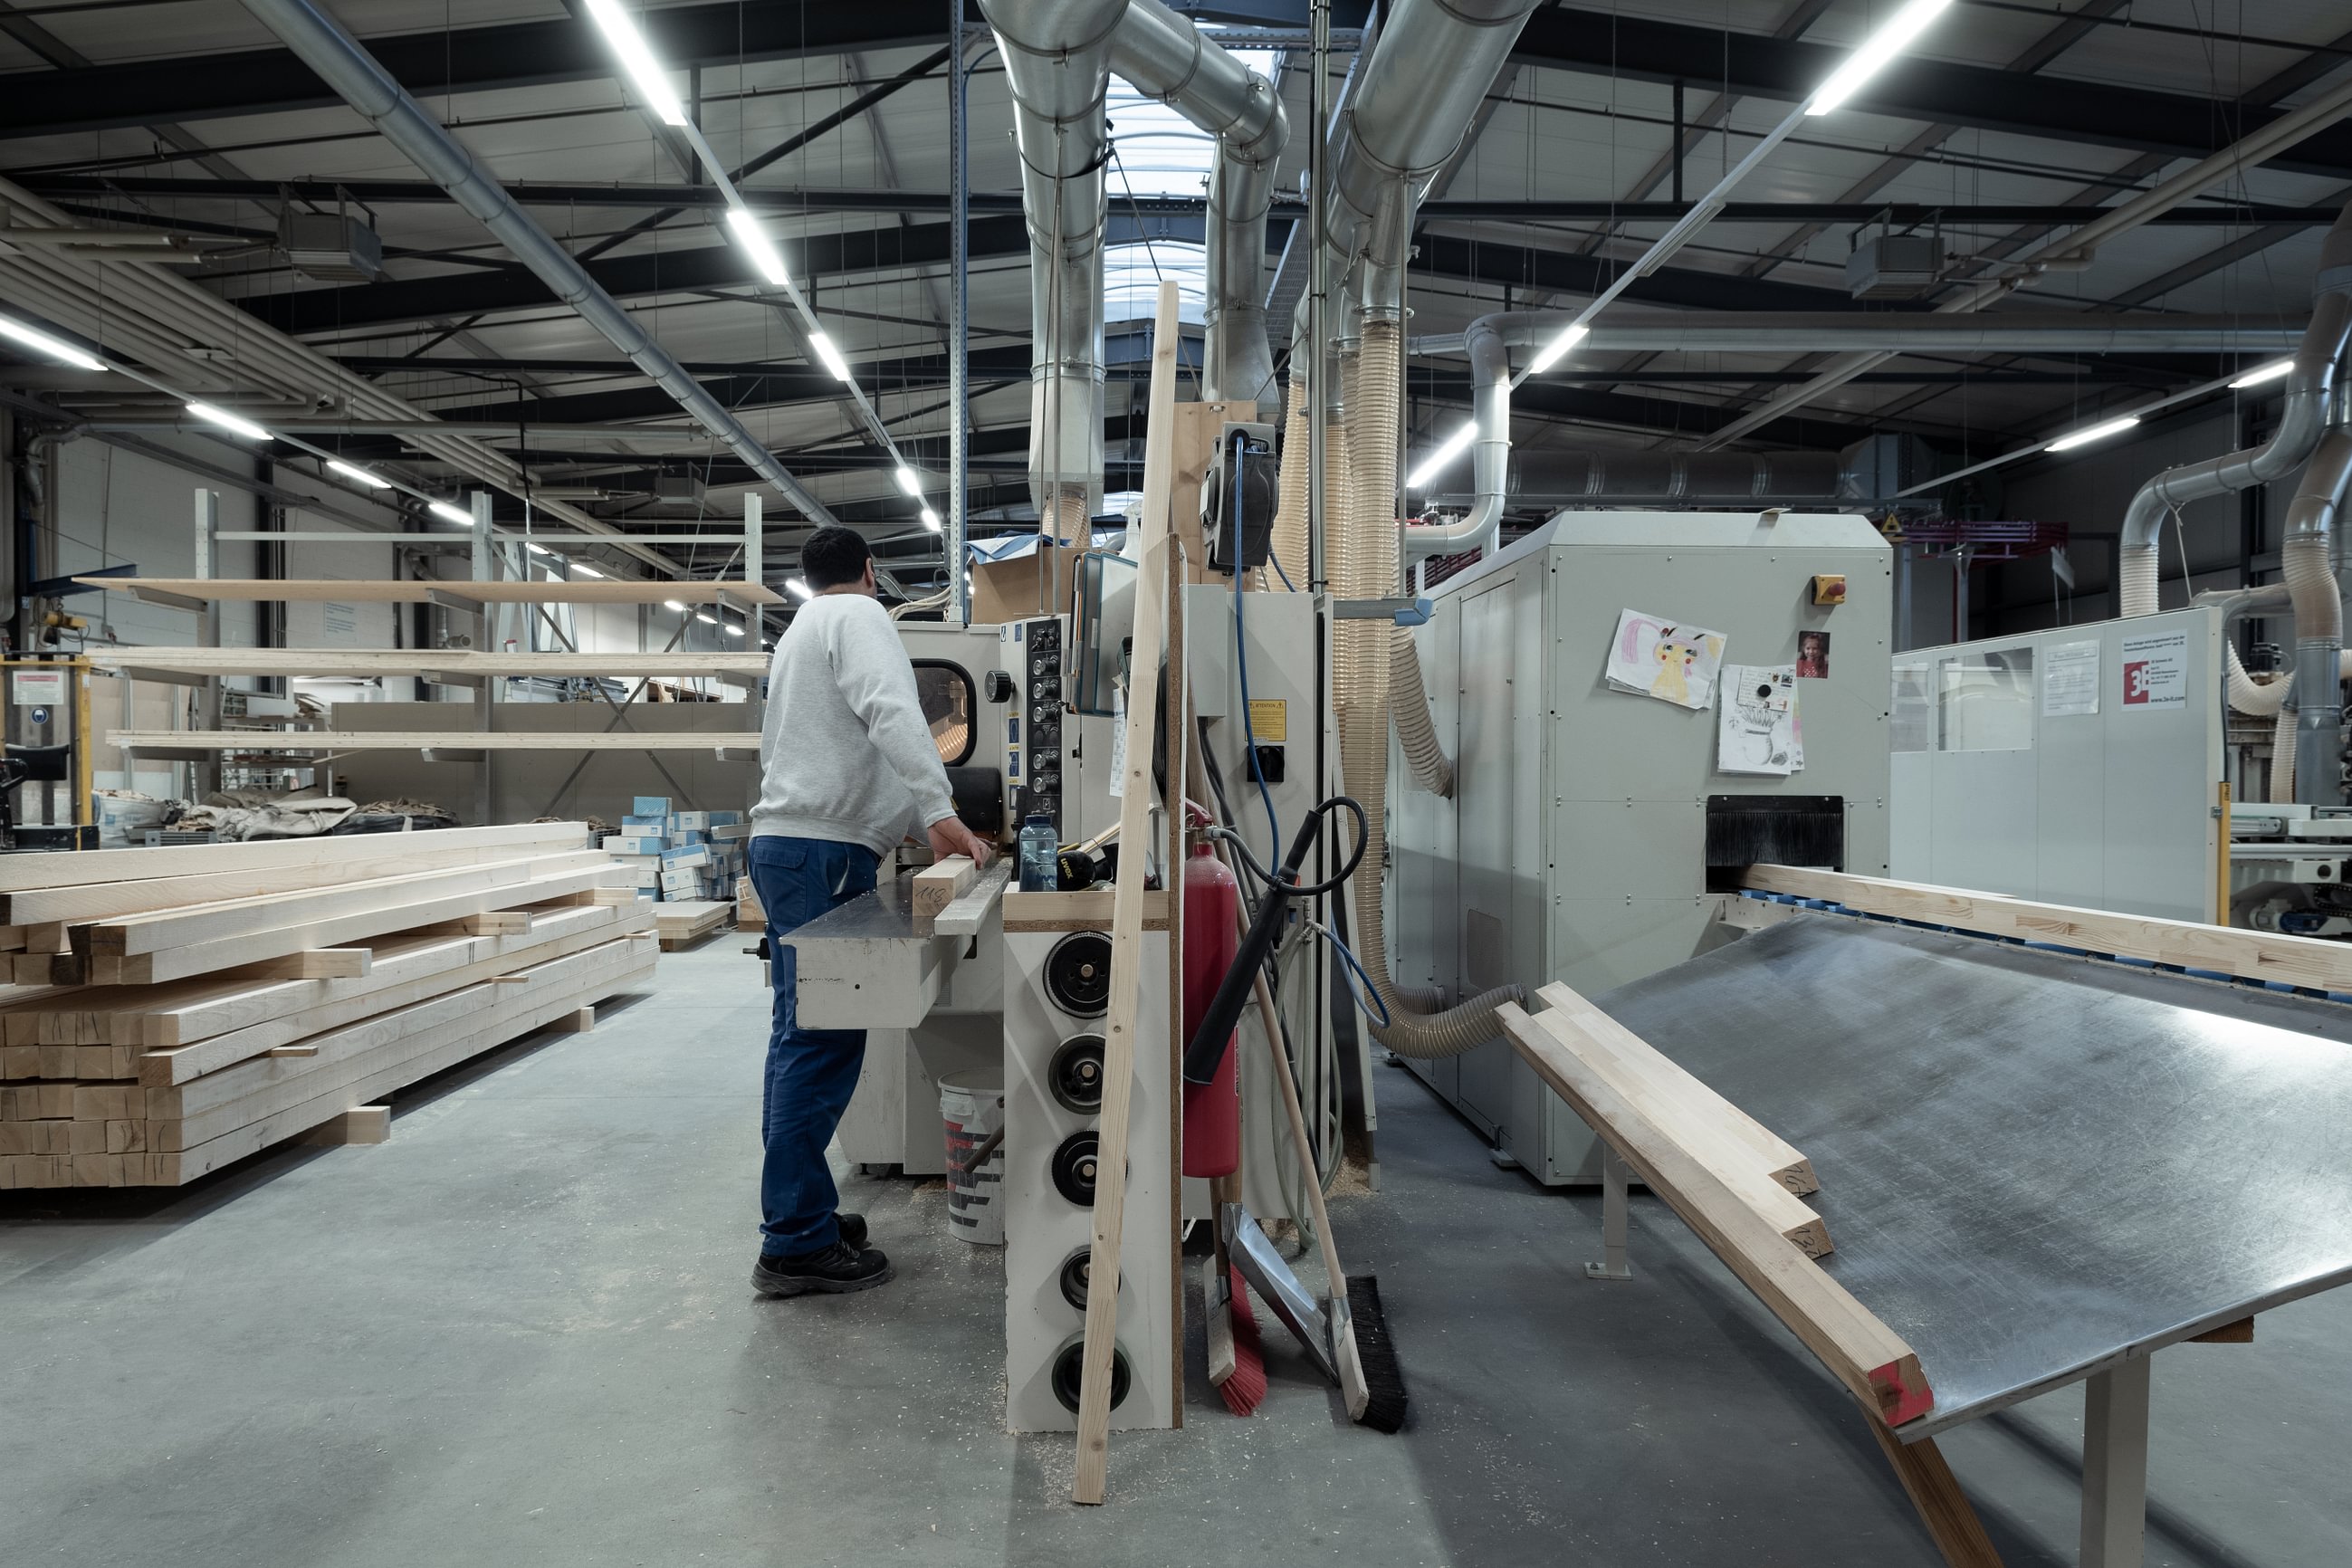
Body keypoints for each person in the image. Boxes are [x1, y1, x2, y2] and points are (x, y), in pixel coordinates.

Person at [748, 526, 995, 1297]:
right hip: (819, 850)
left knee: (799, 1037)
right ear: (869, 570)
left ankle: (802, 1216)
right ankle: (792, 1244)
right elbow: (893, 712)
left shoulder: (799, 632)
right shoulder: (861, 619)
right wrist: (940, 812)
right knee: (820, 1041)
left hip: (793, 846)